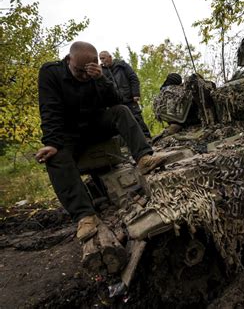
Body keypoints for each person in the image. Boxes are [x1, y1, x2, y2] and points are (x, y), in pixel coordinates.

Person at [36, 41, 165, 242]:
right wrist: (52, 142)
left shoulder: (99, 73)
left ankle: (143, 158)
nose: (83, 76)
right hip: (69, 133)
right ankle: (85, 216)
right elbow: (49, 109)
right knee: (55, 156)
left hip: (95, 124)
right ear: (69, 60)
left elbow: (116, 101)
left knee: (121, 112)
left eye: (88, 71)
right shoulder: (50, 72)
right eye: (79, 71)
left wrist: (100, 79)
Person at [99, 50, 151, 139]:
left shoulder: (122, 65)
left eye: (103, 58)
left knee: (137, 117)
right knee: (121, 124)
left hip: (129, 98)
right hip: (116, 101)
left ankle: (147, 138)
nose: (102, 61)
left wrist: (135, 93)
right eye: (100, 59)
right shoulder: (102, 71)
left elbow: (133, 78)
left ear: (110, 57)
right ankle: (129, 144)